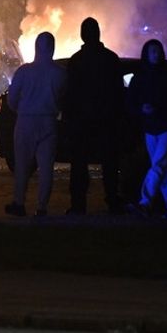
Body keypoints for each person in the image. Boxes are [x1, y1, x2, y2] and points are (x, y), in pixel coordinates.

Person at [63, 17, 125, 215]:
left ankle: (78, 205)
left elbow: (69, 94)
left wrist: (68, 120)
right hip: (107, 120)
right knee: (110, 163)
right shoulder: (111, 59)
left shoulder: (76, 61)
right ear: (98, 33)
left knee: (79, 164)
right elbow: (119, 91)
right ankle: (113, 201)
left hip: (81, 122)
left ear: (82, 35)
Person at [5, 31, 68, 218]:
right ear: (52, 48)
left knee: (22, 165)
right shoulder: (60, 73)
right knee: (46, 167)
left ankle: (19, 203)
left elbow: (12, 98)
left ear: (36, 48)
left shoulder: (24, 72)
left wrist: (21, 110)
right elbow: (64, 98)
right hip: (49, 122)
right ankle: (41, 207)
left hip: (26, 121)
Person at [126, 38, 167, 219]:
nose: (156, 54)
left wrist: (161, 109)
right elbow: (130, 101)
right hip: (150, 128)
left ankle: (145, 202)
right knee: (162, 168)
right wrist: (142, 109)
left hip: (166, 127)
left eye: (158, 51)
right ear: (146, 54)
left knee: (158, 165)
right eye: (152, 51)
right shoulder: (140, 77)